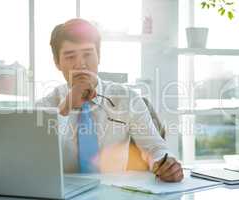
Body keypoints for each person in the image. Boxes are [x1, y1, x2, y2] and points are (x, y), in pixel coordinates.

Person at [36, 18, 183, 182]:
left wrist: (165, 163)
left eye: (87, 54)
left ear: (99, 56)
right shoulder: (44, 107)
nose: (80, 64)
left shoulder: (127, 99)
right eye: (70, 56)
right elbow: (36, 158)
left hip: (115, 192)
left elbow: (155, 147)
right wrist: (64, 109)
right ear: (57, 62)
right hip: (63, 192)